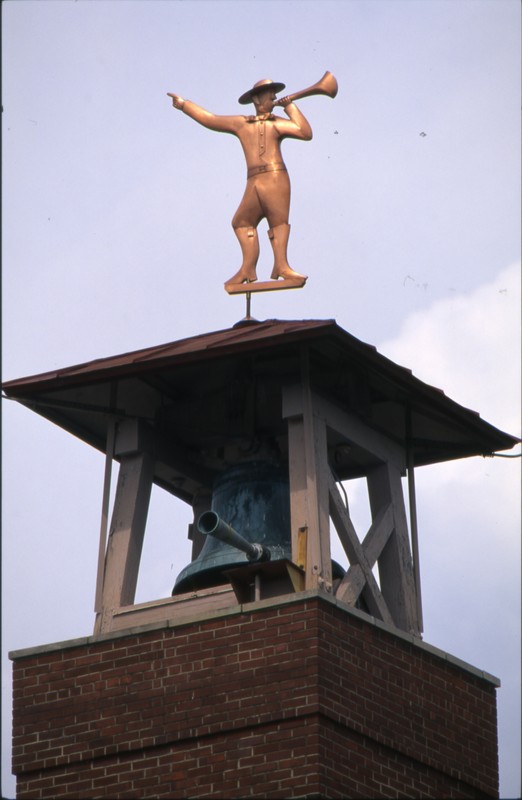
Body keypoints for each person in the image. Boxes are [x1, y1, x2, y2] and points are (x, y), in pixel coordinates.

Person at [168, 78, 313, 287]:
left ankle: (282, 266)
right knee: (241, 222)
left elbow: (305, 132)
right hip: (254, 180)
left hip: (276, 178)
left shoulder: (277, 123)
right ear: (256, 98)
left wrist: (290, 106)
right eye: (269, 94)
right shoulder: (242, 123)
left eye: (274, 93)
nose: (273, 97)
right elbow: (211, 119)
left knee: (278, 222)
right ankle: (247, 268)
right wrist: (184, 105)